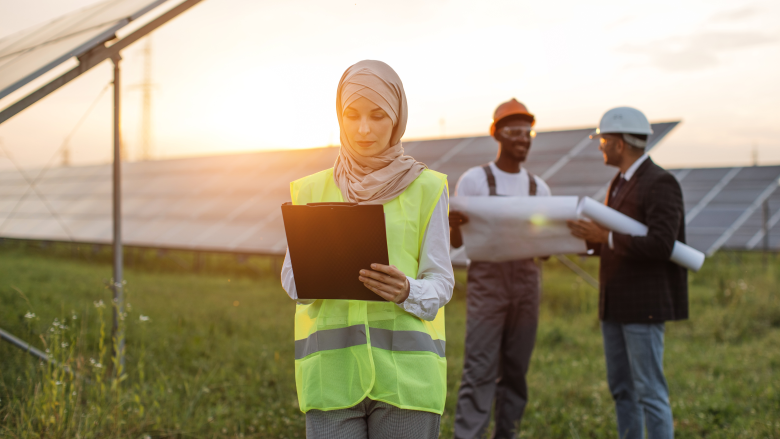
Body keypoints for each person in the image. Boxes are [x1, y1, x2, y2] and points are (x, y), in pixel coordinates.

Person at [280, 60, 455, 439]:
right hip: (331, 379)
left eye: (378, 116)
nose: (363, 129)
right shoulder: (310, 190)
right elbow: (292, 279)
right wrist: (316, 273)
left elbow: (441, 282)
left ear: (397, 118)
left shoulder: (427, 188)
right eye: (351, 115)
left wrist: (408, 290)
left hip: (407, 384)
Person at [567, 107, 688, 439]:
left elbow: (662, 244)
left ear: (619, 144)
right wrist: (581, 239)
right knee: (622, 389)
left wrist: (603, 237)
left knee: (649, 391)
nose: (600, 146)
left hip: (643, 307)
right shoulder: (619, 184)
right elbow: (613, 242)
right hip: (616, 305)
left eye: (603, 140)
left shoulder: (661, 183)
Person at [451, 98, 551, 439]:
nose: (523, 138)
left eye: (528, 132)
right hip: (488, 284)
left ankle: (507, 433)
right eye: (514, 131)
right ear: (496, 134)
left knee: (516, 370)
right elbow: (453, 241)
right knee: (479, 369)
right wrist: (452, 223)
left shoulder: (540, 188)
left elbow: (547, 248)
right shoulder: (475, 181)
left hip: (527, 284)